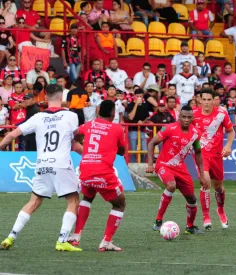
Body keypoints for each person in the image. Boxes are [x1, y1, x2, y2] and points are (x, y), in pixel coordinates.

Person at [0, 84, 81, 252]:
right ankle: (62, 240)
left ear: (46, 97)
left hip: (42, 163)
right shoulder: (71, 116)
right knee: (73, 200)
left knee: (34, 201)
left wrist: (1, 147)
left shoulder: (38, 117)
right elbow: (74, 142)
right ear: (62, 98)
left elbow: (12, 134)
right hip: (61, 163)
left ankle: (11, 236)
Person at [67, 100, 126, 251]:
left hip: (85, 169)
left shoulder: (90, 124)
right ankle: (106, 241)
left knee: (87, 198)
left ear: (99, 111)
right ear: (113, 113)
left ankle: (76, 236)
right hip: (103, 172)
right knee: (119, 204)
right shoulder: (117, 128)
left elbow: (74, 133)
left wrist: (80, 142)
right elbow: (122, 151)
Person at [147, 105, 207, 234]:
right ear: (179, 117)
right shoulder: (169, 128)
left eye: (189, 117)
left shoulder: (196, 133)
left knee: (192, 199)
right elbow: (152, 143)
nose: (186, 119)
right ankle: (158, 220)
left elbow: (198, 152)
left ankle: (190, 227)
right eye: (183, 117)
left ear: (192, 118)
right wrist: (150, 164)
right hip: (164, 164)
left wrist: (201, 174)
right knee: (171, 185)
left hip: (180, 167)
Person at [191, 89, 235, 230]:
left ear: (214, 100)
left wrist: (228, 146)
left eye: (209, 100)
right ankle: (206, 216)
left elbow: (231, 131)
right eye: (204, 99)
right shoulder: (193, 115)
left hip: (217, 155)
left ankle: (220, 210)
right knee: (205, 182)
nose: (206, 103)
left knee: (218, 187)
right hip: (201, 154)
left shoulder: (221, 114)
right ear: (200, 100)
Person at [126, 89, 151, 162]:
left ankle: (142, 164)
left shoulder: (145, 105)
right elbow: (131, 117)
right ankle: (132, 165)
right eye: (137, 96)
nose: (139, 97)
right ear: (134, 96)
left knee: (144, 151)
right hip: (133, 130)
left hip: (142, 130)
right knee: (133, 151)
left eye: (140, 96)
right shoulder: (130, 105)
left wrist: (143, 122)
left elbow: (147, 117)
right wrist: (136, 104)